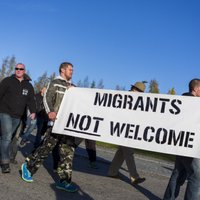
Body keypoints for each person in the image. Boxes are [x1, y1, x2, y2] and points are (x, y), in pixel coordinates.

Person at [20, 62, 78, 192]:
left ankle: (65, 181)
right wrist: (50, 111)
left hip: (68, 126)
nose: (72, 72)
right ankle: (28, 167)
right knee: (46, 148)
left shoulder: (74, 87)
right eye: (70, 69)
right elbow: (47, 97)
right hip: (56, 124)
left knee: (68, 153)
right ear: (62, 70)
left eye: (72, 70)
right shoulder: (55, 83)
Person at [163, 78, 200, 200]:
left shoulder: (180, 102)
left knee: (178, 173)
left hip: (180, 143)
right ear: (196, 89)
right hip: (192, 146)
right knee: (196, 177)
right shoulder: (195, 105)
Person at [107, 81, 146, 185]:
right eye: (139, 91)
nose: (140, 94)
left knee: (121, 152)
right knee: (128, 152)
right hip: (122, 129)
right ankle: (134, 177)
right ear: (134, 89)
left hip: (128, 130)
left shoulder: (136, 101)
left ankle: (112, 172)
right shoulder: (124, 98)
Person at [0, 63, 36, 173]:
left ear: (24, 71)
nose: (18, 70)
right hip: (5, 112)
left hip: (18, 116)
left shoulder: (29, 86)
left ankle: (3, 155)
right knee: (6, 137)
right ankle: (5, 163)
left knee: (8, 137)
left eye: (21, 69)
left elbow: (31, 100)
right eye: (16, 68)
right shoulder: (7, 81)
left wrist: (33, 111)